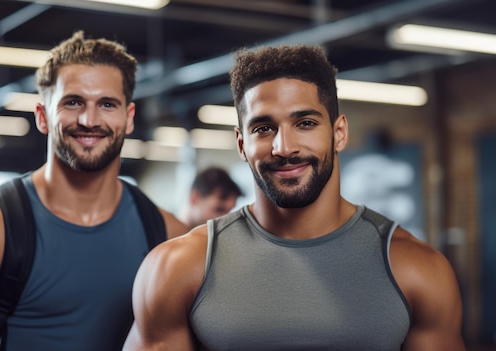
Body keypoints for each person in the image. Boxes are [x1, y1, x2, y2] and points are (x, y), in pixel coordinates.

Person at [124, 44, 465, 350]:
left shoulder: (417, 268)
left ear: (339, 132)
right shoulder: (177, 267)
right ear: (242, 144)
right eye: (263, 128)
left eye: (304, 123)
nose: (284, 147)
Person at [0, 30, 189, 351]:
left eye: (107, 104)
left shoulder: (167, 236)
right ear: (42, 116)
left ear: (129, 117)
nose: (89, 119)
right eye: (73, 102)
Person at [178, 167, 242, 228]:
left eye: (229, 213)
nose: (226, 220)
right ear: (194, 198)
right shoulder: (170, 236)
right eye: (219, 209)